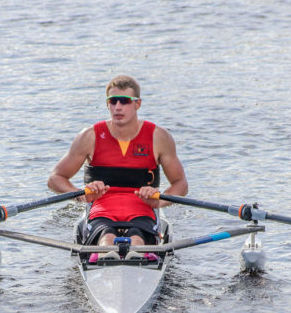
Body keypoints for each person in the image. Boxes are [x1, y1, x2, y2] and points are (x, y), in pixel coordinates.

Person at [48, 75, 188, 261]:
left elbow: (181, 184)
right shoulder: (89, 136)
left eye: (125, 101)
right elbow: (55, 178)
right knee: (107, 238)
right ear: (107, 104)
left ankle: (137, 256)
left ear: (137, 104)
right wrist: (81, 196)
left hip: (143, 209)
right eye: (112, 101)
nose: (118, 107)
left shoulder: (159, 137)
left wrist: (159, 202)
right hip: (101, 210)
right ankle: (109, 259)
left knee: (137, 240)